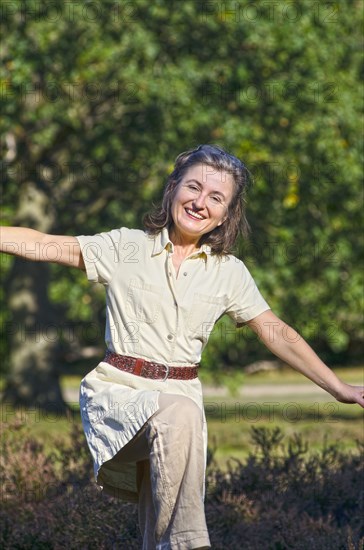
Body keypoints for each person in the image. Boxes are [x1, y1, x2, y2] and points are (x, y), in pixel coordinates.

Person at [1, 144, 363, 550]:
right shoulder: (127, 247)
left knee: (157, 515)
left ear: (227, 214)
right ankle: (193, 544)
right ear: (172, 188)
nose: (200, 202)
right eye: (193, 187)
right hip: (120, 395)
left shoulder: (230, 273)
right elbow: (45, 242)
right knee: (180, 418)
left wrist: (340, 389)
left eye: (216, 197)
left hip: (181, 402)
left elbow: (275, 331)